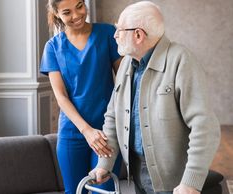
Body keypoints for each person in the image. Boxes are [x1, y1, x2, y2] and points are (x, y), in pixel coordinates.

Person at [89, 1, 221, 194]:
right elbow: (113, 117)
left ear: (138, 35)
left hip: (176, 183)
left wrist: (190, 182)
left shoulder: (181, 60)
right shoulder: (126, 63)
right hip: (136, 172)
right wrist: (104, 163)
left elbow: (205, 127)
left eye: (119, 29)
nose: (115, 35)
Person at [40, 0, 123, 193]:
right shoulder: (53, 47)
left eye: (79, 6)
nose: (76, 15)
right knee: (74, 191)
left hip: (107, 130)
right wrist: (87, 131)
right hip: (72, 132)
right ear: (57, 14)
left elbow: (123, 83)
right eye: (67, 12)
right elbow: (61, 97)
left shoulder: (108, 34)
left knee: (105, 190)